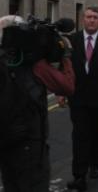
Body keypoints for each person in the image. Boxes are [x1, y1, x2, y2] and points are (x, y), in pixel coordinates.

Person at [0, 15, 75, 192]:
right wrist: (65, 56)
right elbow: (67, 87)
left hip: (5, 140)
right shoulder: (36, 64)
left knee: (11, 183)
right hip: (31, 143)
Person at [64, 7, 98, 191]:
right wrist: (62, 92)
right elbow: (64, 67)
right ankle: (79, 175)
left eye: (95, 17)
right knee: (80, 136)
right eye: (88, 17)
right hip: (78, 99)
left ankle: (95, 163)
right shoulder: (71, 40)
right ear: (82, 19)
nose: (91, 20)